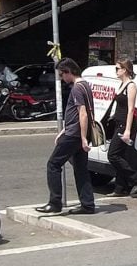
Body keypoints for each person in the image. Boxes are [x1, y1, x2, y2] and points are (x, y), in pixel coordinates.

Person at [36, 58, 96, 215]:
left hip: (74, 135)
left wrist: (82, 137)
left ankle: (55, 202)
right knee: (81, 169)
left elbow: (83, 113)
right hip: (75, 132)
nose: (62, 78)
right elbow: (80, 114)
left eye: (62, 74)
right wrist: (65, 130)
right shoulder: (86, 85)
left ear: (69, 72)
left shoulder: (77, 88)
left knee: (53, 165)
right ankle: (88, 204)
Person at [107, 58, 137, 197]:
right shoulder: (121, 85)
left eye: (117, 68)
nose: (115, 71)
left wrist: (127, 130)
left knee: (113, 155)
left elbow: (130, 109)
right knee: (120, 155)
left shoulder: (131, 86)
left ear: (125, 70)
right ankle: (119, 188)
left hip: (125, 124)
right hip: (118, 122)